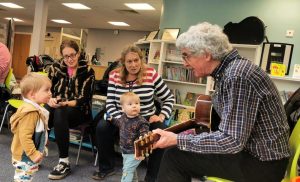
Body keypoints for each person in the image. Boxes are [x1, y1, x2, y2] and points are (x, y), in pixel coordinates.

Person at [153, 22, 290, 182]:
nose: (184, 63)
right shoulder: (232, 70)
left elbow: (232, 141)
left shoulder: (237, 76)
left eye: (186, 55)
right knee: (180, 151)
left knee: (175, 157)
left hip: (263, 164)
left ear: (206, 54)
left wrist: (177, 139)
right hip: (257, 155)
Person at [92, 45, 175, 182]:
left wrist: (161, 116)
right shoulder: (114, 75)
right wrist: (122, 120)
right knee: (102, 127)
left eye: (136, 60)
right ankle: (106, 168)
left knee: (161, 133)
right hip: (120, 116)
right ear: (123, 62)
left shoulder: (151, 74)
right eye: (129, 61)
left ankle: (152, 177)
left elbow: (169, 98)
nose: (133, 64)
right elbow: (110, 102)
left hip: (146, 118)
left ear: (141, 60)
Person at [46, 40, 95, 180]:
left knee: (60, 110)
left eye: (72, 55)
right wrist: (51, 99)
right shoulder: (56, 68)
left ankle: (64, 161)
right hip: (58, 108)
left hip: (79, 111)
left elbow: (84, 99)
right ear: (62, 56)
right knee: (45, 110)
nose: (69, 59)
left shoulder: (88, 71)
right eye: (66, 56)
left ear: (78, 54)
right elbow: (47, 89)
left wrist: (65, 103)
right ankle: (35, 151)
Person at [10, 72, 52, 182]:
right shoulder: (30, 112)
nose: (50, 93)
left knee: (26, 177)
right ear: (32, 94)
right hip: (26, 155)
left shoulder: (35, 108)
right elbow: (25, 136)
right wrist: (33, 154)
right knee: (23, 179)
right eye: (46, 90)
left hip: (27, 154)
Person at [107, 92, 149, 182]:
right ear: (122, 108)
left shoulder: (141, 122)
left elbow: (144, 134)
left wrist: (142, 150)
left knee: (126, 171)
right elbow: (119, 123)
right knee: (131, 171)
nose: (134, 106)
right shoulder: (123, 117)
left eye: (137, 103)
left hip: (135, 153)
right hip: (125, 151)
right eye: (130, 104)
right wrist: (111, 119)